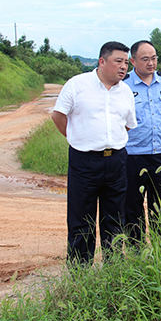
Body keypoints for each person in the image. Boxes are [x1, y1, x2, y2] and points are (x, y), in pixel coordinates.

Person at [51, 41, 137, 265]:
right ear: (102, 61)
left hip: (116, 161)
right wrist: (77, 138)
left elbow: (127, 125)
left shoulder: (126, 91)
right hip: (84, 161)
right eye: (118, 61)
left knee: (115, 218)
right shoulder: (77, 84)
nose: (123, 67)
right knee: (81, 218)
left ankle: (113, 270)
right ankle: (80, 273)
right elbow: (58, 116)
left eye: (126, 62)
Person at [123, 40, 161, 247]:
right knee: (132, 205)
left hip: (159, 153)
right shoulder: (123, 84)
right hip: (131, 154)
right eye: (145, 59)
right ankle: (135, 248)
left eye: (154, 58)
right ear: (133, 61)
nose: (151, 63)